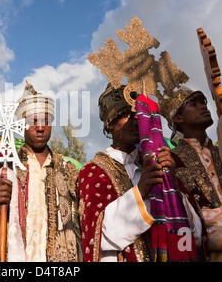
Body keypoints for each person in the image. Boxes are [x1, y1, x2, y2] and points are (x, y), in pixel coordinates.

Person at [78, 83, 204, 262]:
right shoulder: (93, 171)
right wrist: (143, 188)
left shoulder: (160, 161)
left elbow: (195, 234)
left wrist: (171, 184)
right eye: (126, 115)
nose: (136, 120)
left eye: (138, 114)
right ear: (110, 124)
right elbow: (99, 237)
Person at [0, 82, 82, 262]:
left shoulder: (68, 169)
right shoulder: (6, 165)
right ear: (21, 126)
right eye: (33, 122)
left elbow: (81, 219)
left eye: (46, 121)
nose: (40, 127)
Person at [161, 86, 222, 262]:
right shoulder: (172, 161)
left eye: (204, 102)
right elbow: (175, 218)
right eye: (194, 103)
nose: (203, 106)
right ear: (178, 117)